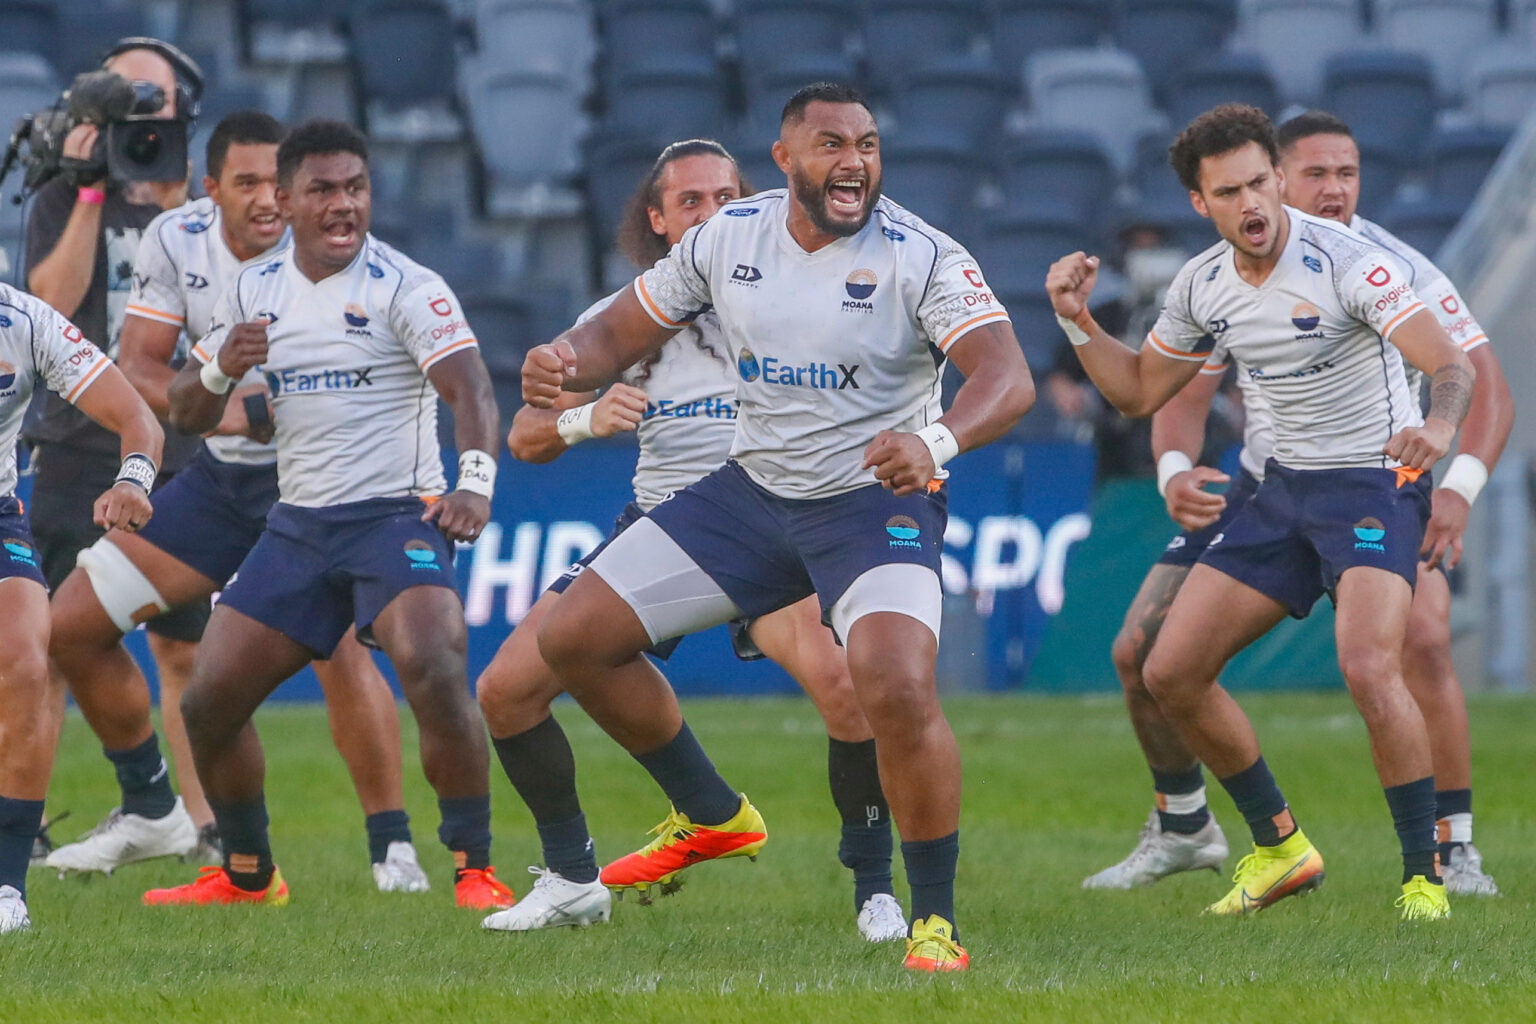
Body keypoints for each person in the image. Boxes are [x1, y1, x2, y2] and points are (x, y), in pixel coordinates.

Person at [521, 83, 1034, 970]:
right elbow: (617, 328)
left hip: (876, 501)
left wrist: (934, 438)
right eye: (832, 145)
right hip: (751, 496)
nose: (855, 163)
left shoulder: (923, 254)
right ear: (787, 160)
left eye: (868, 145)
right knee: (571, 638)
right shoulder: (730, 236)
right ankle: (713, 814)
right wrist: (566, 361)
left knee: (893, 683)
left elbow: (1008, 377)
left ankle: (934, 922)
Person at [1047, 104, 1474, 921]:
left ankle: (1426, 875)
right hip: (1280, 491)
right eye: (1227, 192)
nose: (1250, 204)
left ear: (1278, 180)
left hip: (1373, 485)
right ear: (1200, 204)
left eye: (1258, 183)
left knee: (1368, 665)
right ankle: (1280, 846)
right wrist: (1077, 320)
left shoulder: (1351, 263)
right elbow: (1140, 390)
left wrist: (1440, 426)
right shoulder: (1202, 284)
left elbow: (1448, 363)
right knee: (1167, 669)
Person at [477, 139, 904, 942]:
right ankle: (580, 873)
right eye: (690, 203)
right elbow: (524, 435)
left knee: (844, 683)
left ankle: (875, 890)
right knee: (504, 691)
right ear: (660, 222)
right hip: (662, 535)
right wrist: (581, 417)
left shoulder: (803, 298)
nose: (711, 213)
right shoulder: (631, 319)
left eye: (725, 196)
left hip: (779, 524)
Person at [43, 112, 425, 891]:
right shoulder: (174, 241)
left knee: (341, 653)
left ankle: (395, 849)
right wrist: (237, 410)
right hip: (221, 479)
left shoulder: (338, 256)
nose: (265, 201)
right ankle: (155, 807)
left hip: (324, 487)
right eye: (243, 182)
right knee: (71, 626)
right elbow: (141, 367)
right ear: (208, 188)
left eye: (273, 184)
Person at [150, 120, 509, 910]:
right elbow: (187, 414)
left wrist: (474, 483)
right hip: (301, 525)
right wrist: (215, 366)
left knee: (435, 661)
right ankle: (248, 875)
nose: (344, 205)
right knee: (208, 701)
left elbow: (471, 388)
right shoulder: (254, 288)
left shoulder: (407, 285)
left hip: (396, 517)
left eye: (356, 188)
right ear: (285, 201)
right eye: (323, 190)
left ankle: (474, 867)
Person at [23, 41, 209, 818]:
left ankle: (202, 828)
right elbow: (50, 306)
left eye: (154, 96)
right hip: (74, 442)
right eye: (126, 95)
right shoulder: (66, 194)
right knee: (40, 649)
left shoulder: (204, 206)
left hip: (176, 445)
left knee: (184, 652)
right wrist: (91, 188)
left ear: (183, 109)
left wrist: (171, 200)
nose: (142, 111)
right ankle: (22, 820)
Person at [0, 282, 164, 932]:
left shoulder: (24, 321)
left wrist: (133, 479)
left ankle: (7, 886)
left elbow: (139, 420)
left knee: (24, 656)